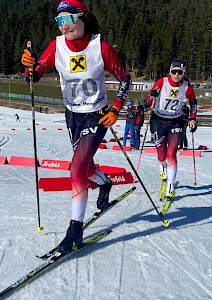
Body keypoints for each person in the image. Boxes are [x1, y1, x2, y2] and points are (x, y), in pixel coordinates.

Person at [21, 0, 131, 253]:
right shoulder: (57, 46)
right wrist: (28, 67)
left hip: (97, 114)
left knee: (77, 168)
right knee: (86, 167)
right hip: (72, 115)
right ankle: (104, 182)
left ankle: (75, 231)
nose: (64, 26)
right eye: (59, 21)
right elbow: (35, 75)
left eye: (68, 19)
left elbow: (125, 79)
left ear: (82, 19)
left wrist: (116, 109)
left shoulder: (100, 47)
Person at [144, 59, 197, 201]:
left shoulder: (187, 86)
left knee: (171, 152)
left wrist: (192, 118)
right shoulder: (162, 82)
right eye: (174, 71)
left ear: (184, 73)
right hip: (158, 120)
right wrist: (150, 99)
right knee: (161, 155)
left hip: (176, 121)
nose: (176, 75)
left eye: (180, 72)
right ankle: (162, 166)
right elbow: (149, 100)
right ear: (170, 71)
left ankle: (170, 185)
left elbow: (193, 102)